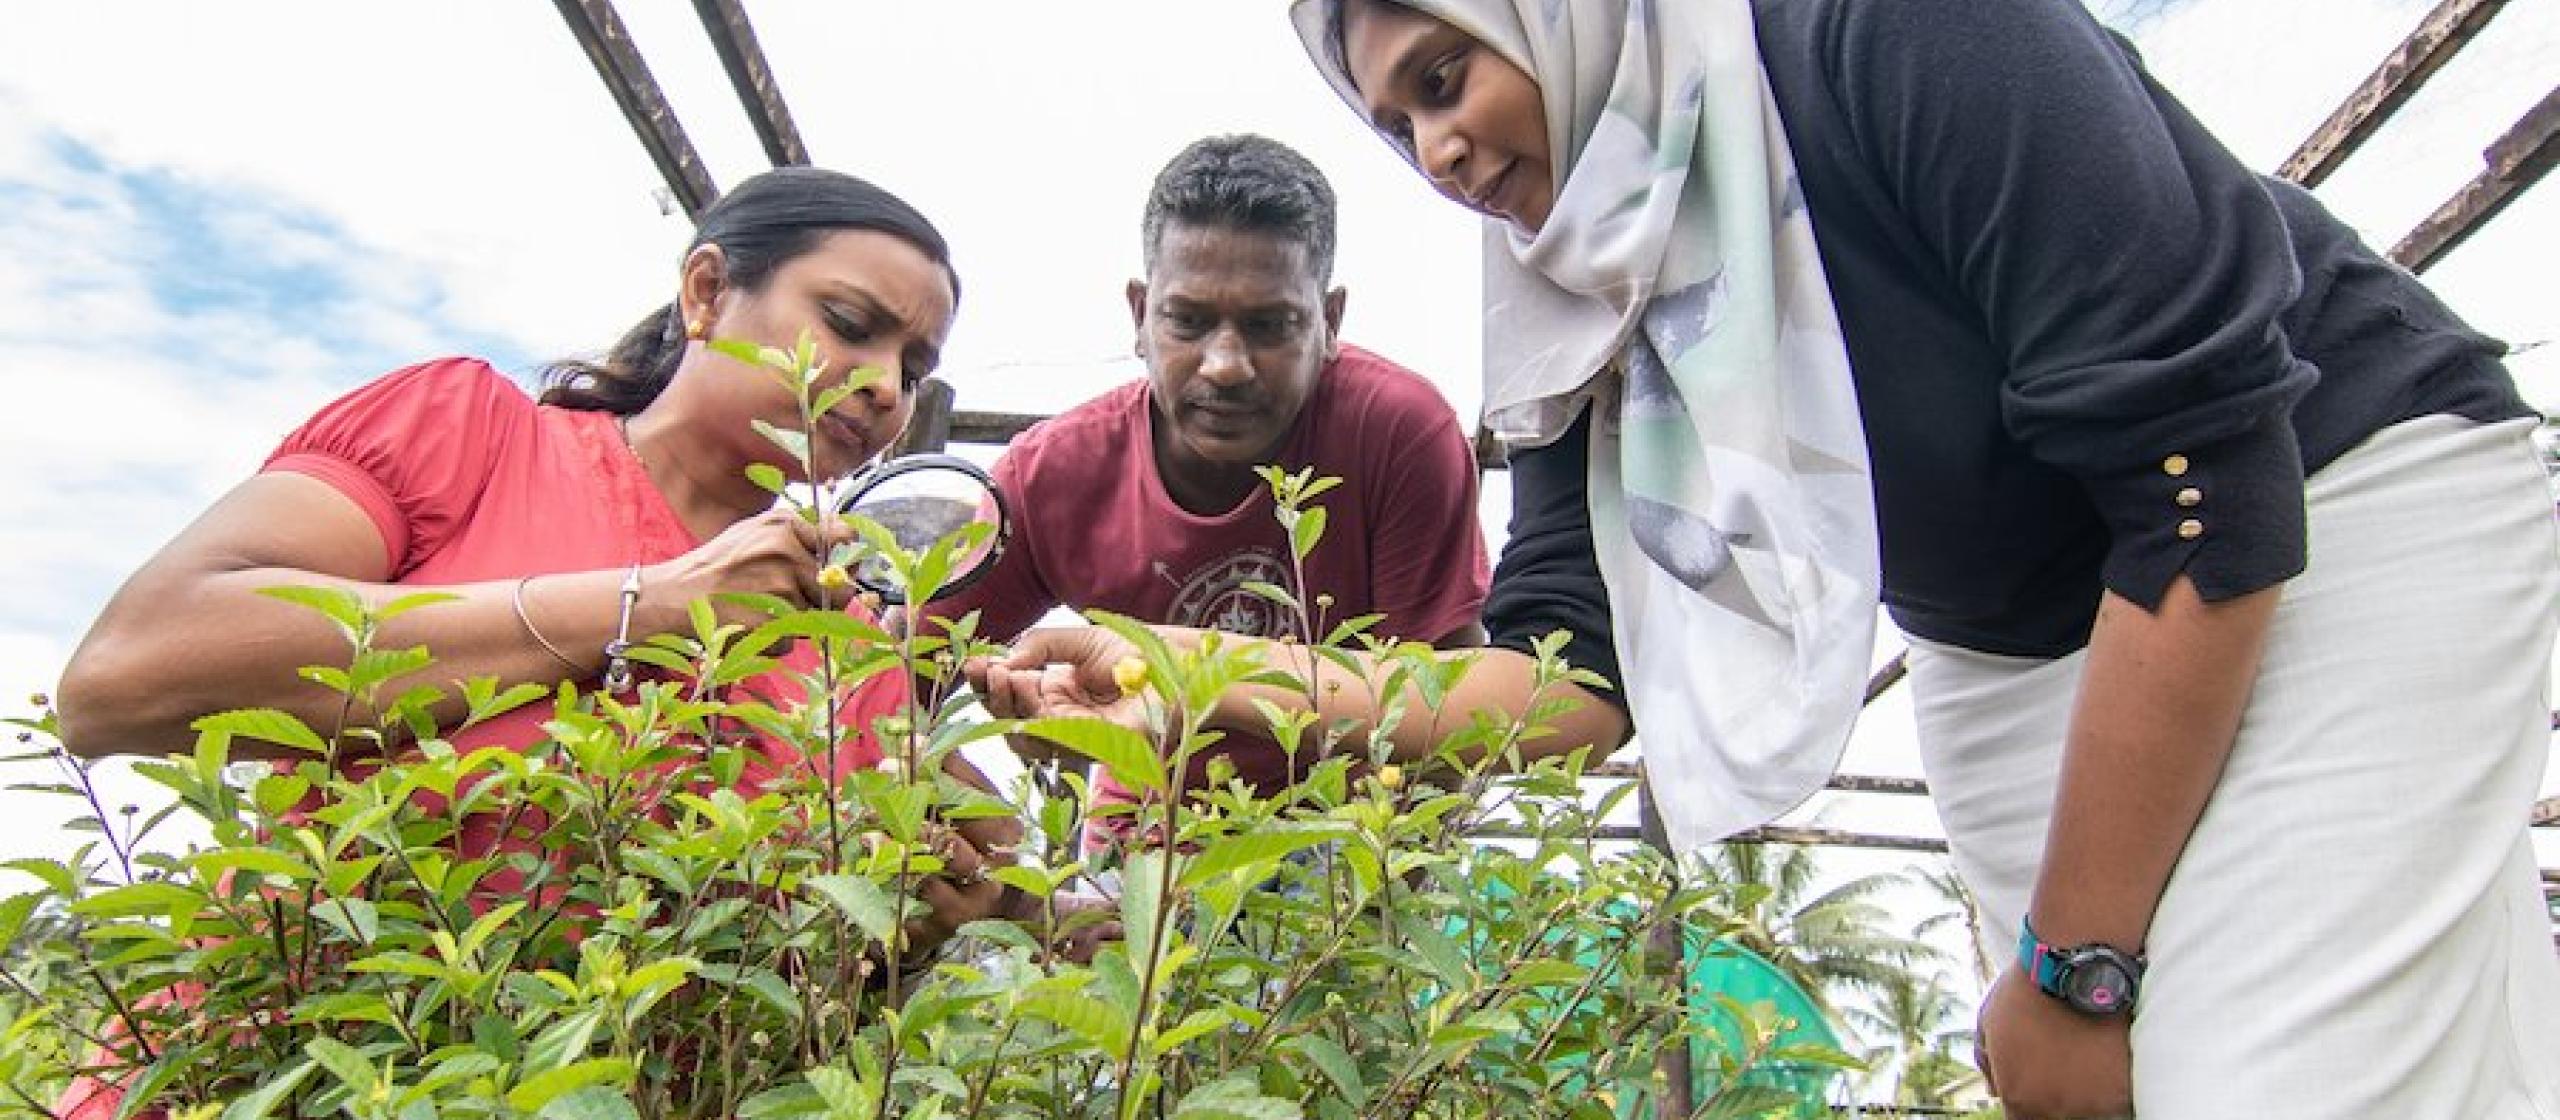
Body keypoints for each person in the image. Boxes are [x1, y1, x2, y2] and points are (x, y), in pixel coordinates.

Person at [978, 2, 2560, 1117]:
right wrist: (1196, 668)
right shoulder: (1577, 290)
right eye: (1396, 122)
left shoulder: (1886, 33)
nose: (1438, 149)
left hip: (2330, 501)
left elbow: (2206, 467)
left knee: (2267, 1079)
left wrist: (2080, 966)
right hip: (2015, 631)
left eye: (1449, 74)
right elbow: (1568, 683)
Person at [52, 170, 1023, 1117]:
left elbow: (858, 974)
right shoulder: (472, 435)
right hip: (252, 1079)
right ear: (707, 292)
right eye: (850, 324)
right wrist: (645, 604)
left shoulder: (849, 650)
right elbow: (121, 682)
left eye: (913, 366)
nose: (883, 386)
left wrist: (933, 925)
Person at [930, 134, 1490, 846]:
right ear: (1140, 315)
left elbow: (1449, 702)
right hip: (1145, 852)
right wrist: (1004, 860)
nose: (1226, 365)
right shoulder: (1048, 477)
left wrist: (1378, 903)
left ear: (1330, 323)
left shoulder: (1400, 435)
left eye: (1270, 325)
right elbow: (886, 679)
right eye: (1188, 321)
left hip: (1341, 849)